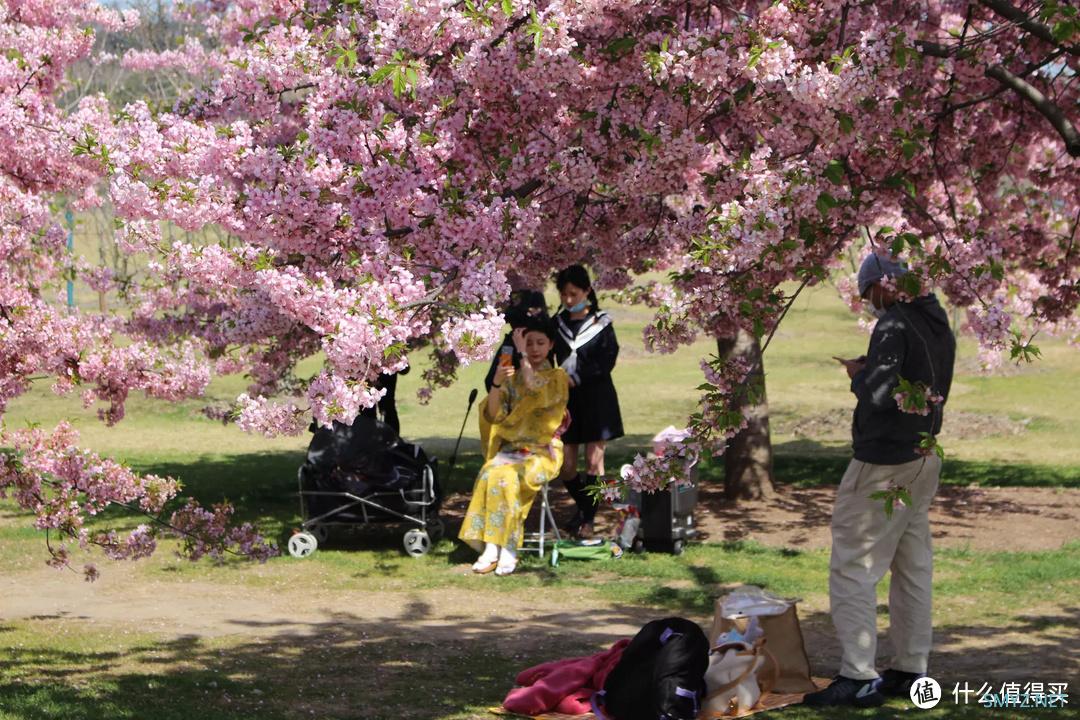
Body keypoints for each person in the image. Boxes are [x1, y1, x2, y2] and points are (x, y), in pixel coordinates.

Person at [805, 252, 956, 708]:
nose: (869, 302)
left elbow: (877, 394)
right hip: (923, 455)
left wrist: (858, 375)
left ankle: (859, 673)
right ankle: (911, 666)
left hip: (884, 460)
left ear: (886, 285)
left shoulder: (893, 325)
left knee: (853, 562)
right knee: (912, 565)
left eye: (869, 292)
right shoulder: (936, 321)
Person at [459, 315, 569, 576]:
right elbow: (494, 415)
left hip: (543, 452)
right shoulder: (512, 378)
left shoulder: (558, 377)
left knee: (507, 477)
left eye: (539, 343)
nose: (533, 349)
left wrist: (519, 353)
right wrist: (497, 383)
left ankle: (507, 547)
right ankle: (491, 546)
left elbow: (533, 388)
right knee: (489, 473)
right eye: (528, 344)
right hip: (512, 450)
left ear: (551, 345)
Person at [553, 264, 623, 538]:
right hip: (565, 401)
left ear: (587, 291)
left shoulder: (602, 323)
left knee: (594, 462)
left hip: (596, 398)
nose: (568, 300)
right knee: (566, 466)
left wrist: (578, 377)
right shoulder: (556, 324)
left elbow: (607, 360)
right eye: (564, 294)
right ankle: (585, 509)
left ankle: (588, 523)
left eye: (574, 293)